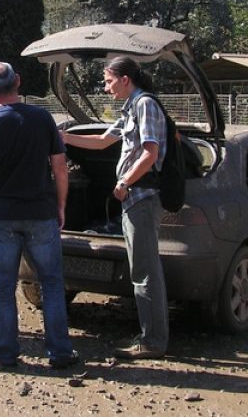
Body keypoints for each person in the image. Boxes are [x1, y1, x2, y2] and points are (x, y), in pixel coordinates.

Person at [0, 62, 79, 369]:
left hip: (2, 214)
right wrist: (61, 204)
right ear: (18, 81)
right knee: (52, 283)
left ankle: (5, 352)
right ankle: (60, 352)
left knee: (4, 286)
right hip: (41, 212)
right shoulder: (43, 118)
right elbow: (59, 166)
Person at [60, 56, 168, 359]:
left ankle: (153, 342)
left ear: (125, 79)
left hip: (142, 196)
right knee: (142, 270)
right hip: (136, 197)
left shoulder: (145, 104)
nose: (106, 88)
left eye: (108, 81)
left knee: (145, 273)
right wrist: (63, 137)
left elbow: (150, 152)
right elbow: (101, 142)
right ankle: (151, 337)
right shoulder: (131, 107)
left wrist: (124, 183)